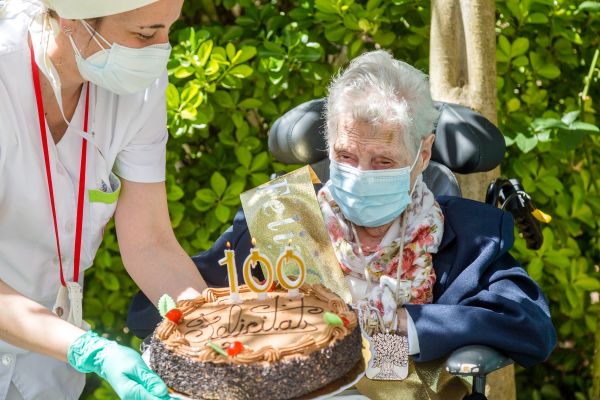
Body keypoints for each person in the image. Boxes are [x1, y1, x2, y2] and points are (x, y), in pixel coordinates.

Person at [128, 51, 557, 397]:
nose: (362, 173)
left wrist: (410, 327)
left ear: (423, 155)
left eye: (384, 161)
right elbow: (167, 304)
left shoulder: (464, 236)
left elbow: (529, 326)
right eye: (347, 157)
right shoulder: (280, 218)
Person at [0, 0, 208, 399]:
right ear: (71, 20)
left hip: (47, 363)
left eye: (168, 30)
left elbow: (150, 243)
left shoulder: (140, 85)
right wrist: (88, 349)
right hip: (61, 342)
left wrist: (211, 329)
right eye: (145, 34)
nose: (161, 49)